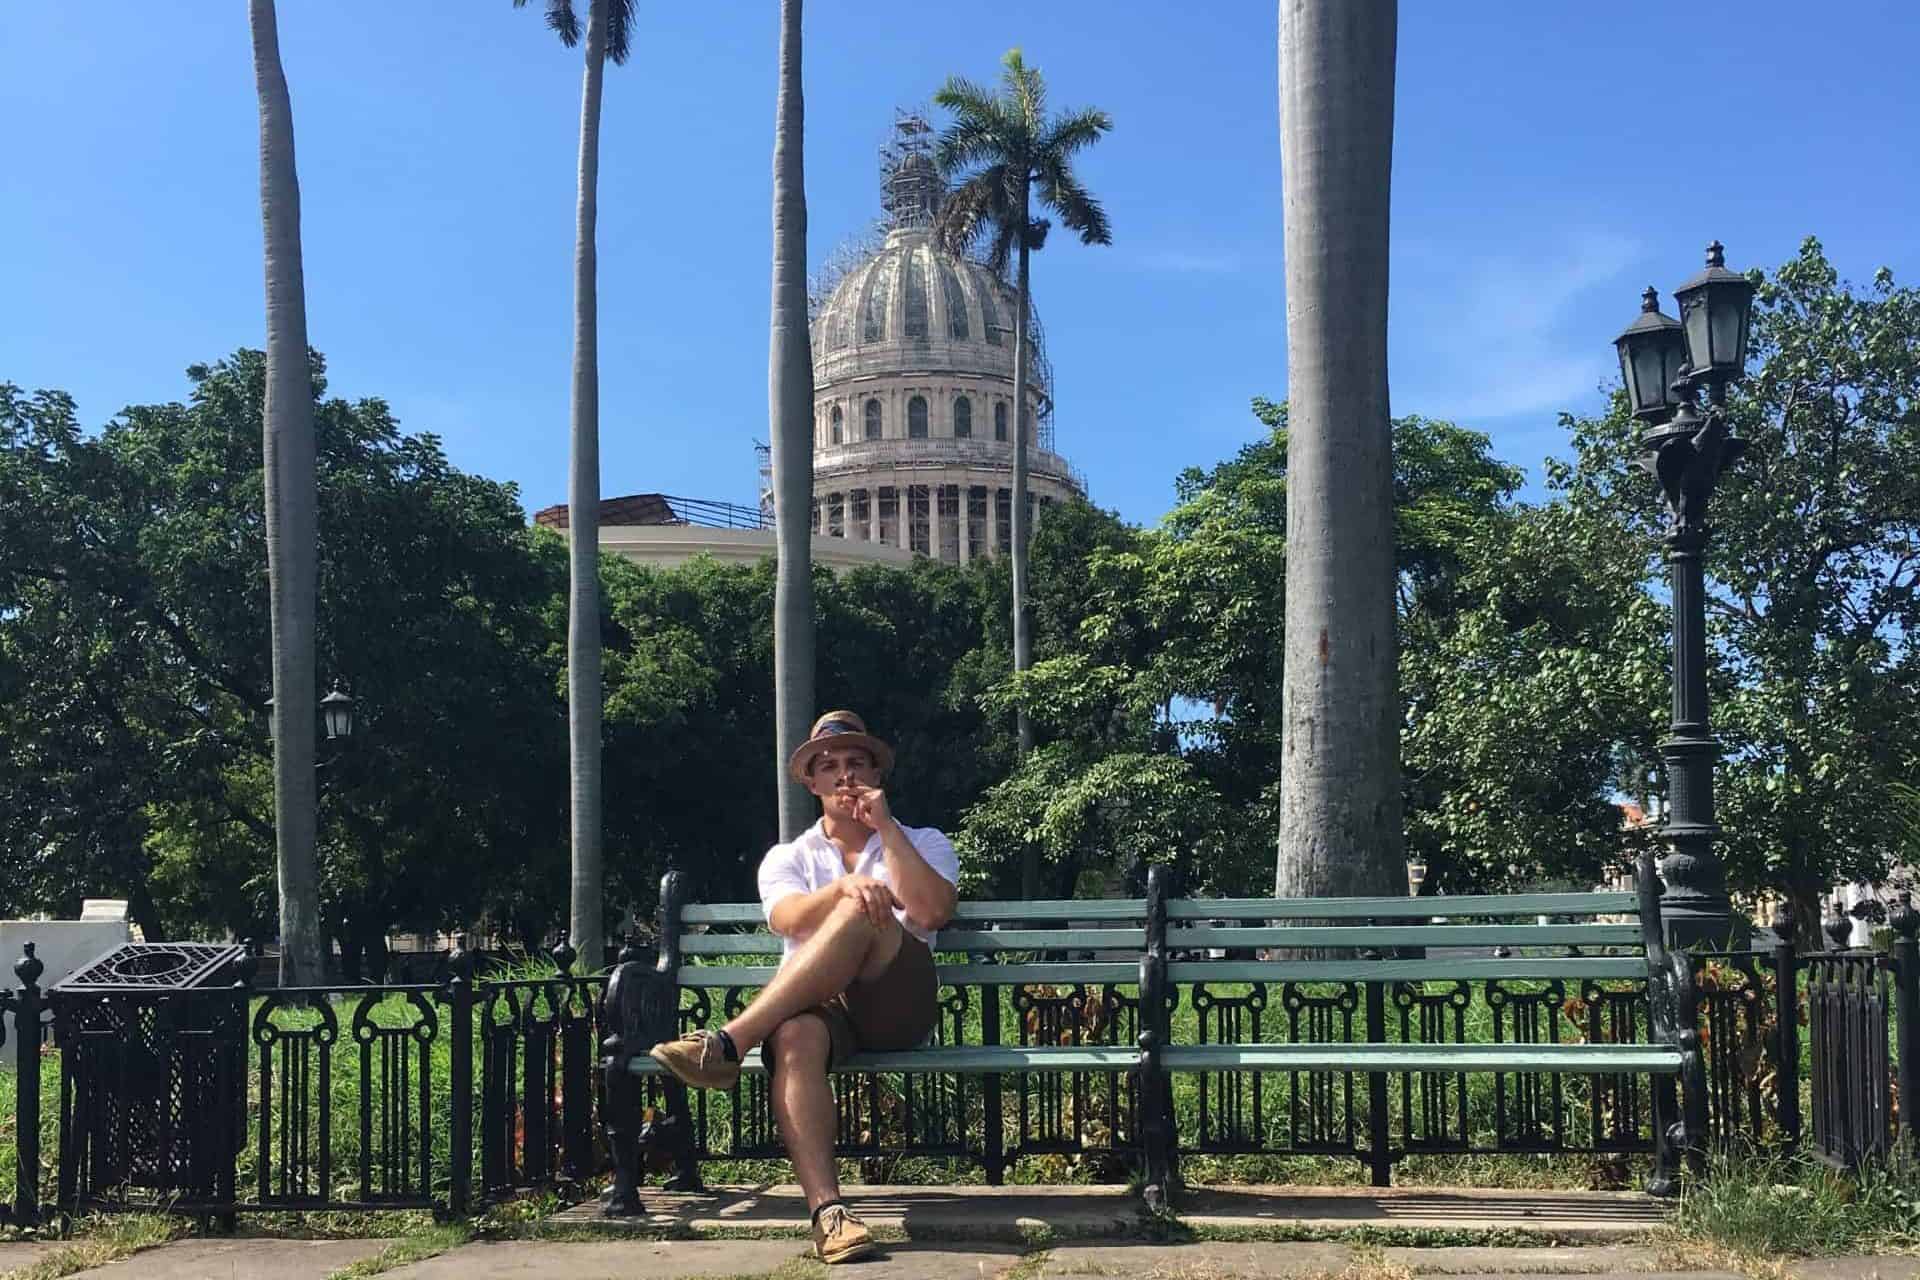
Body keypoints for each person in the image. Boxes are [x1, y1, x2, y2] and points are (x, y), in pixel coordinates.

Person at [648, 711, 958, 1265]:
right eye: (830, 766)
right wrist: (844, 887)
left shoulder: (921, 841)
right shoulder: (787, 858)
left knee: (868, 909)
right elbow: (789, 919)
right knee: (792, 1039)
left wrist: (884, 831)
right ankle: (829, 1215)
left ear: (877, 775)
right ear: (810, 783)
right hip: (822, 1010)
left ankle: (729, 1042)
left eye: (856, 764)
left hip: (898, 1002)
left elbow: (932, 911)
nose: (845, 777)